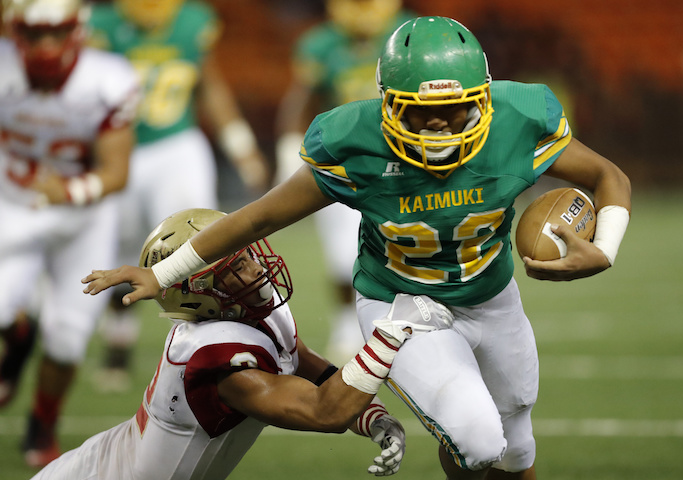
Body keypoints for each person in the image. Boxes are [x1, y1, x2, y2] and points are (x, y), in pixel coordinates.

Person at [82, 16, 632, 480]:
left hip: (491, 296)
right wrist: (165, 274)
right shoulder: (356, 141)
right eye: (418, 110)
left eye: (455, 108)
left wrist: (604, 249)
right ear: (387, 103)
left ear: (484, 99)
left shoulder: (518, 118)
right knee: (478, 439)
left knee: (516, 442)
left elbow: (608, 176)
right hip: (403, 307)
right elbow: (259, 217)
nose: (437, 124)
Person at [38, 208, 452, 479]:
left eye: (246, 255)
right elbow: (323, 411)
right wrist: (391, 333)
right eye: (234, 268)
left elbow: (303, 362)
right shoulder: (216, 359)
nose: (255, 269)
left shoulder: (246, 310)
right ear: (197, 294)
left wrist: (371, 416)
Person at [86, 0, 270, 390]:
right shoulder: (102, 25)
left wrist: (240, 146)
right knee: (122, 249)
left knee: (203, 246)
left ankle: (215, 344)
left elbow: (209, 85)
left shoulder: (191, 21)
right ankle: (118, 346)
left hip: (177, 147)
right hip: (120, 150)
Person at [0, 0, 140, 468]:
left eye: (56, 32)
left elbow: (116, 172)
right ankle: (19, 334)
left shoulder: (107, 79)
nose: (45, 45)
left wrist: (70, 189)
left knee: (67, 336)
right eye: (34, 33)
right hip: (11, 207)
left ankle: (42, 422)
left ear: (76, 31)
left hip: (84, 219)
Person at [275, 0, 415, 363]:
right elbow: (302, 98)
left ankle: (411, 319)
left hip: (406, 157)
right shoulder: (323, 44)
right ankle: (345, 325)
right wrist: (289, 147)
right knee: (342, 254)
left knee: (410, 245)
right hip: (346, 159)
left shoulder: (409, 34)